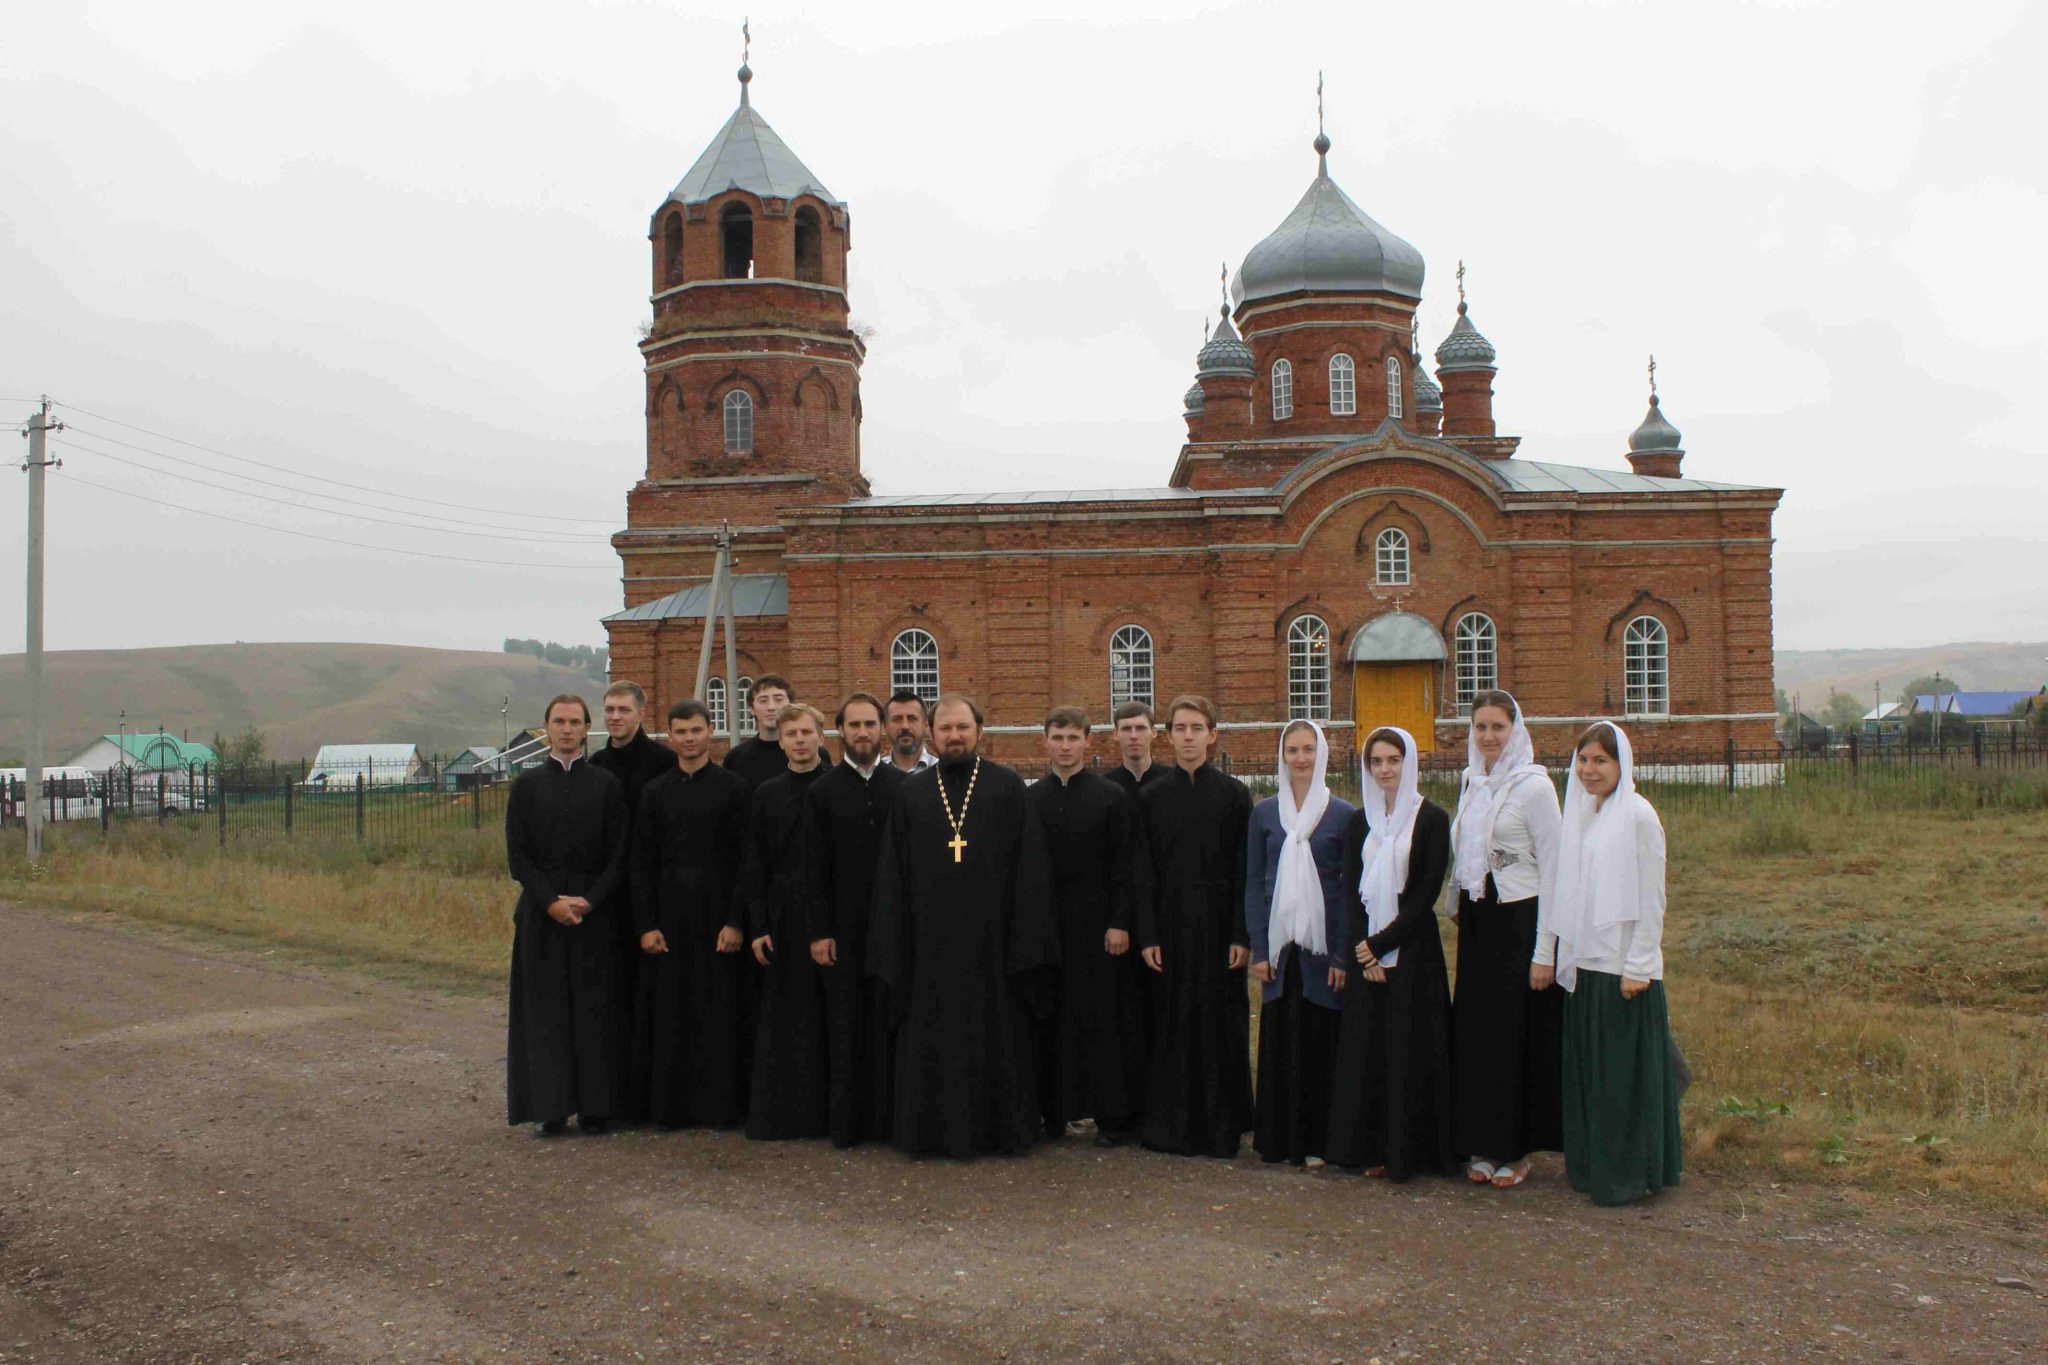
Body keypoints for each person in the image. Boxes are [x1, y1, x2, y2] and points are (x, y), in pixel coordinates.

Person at [867, 694, 1058, 1157]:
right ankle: (928, 1133)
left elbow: (1029, 868)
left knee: (998, 1035)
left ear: (979, 732)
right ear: (933, 733)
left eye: (963, 728)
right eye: (946, 729)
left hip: (994, 944)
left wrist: (1024, 939)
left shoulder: (1008, 787)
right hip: (928, 944)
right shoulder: (911, 793)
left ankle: (1002, 1131)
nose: (954, 736)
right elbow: (894, 873)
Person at [1540, 722, 1682, 1206]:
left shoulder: (1639, 817)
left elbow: (1651, 896)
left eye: (1601, 760)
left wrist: (1639, 965)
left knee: (1624, 1081)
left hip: (1624, 970)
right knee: (1593, 1078)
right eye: (1583, 760)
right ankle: (1593, 1168)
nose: (1589, 770)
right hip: (1587, 967)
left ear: (1622, 764)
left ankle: (1629, 1175)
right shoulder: (1585, 815)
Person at [1327, 726, 1454, 1181]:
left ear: (1409, 763)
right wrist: (1365, 955)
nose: (1384, 769)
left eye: (1393, 760)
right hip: (1368, 957)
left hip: (1413, 954)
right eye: (1376, 762)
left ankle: (1414, 1153)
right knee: (1371, 1053)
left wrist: (1381, 947)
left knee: (1409, 1051)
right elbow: (1349, 890)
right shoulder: (1359, 822)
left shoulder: (1433, 819)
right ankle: (1373, 1149)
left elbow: (1424, 895)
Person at [1449, 690, 1564, 1189]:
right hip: (1479, 920)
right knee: (1477, 1033)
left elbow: (1556, 869)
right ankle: (1481, 1139)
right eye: (1481, 727)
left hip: (1521, 921)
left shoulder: (1535, 788)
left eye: (1498, 727)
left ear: (1515, 730)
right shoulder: (1472, 782)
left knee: (1514, 1035)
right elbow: (1466, 852)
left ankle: (1514, 1149)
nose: (1489, 737)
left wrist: (1546, 951)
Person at [1132, 694, 1254, 1159]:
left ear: (1212, 734)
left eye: (1196, 728)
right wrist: (1148, 935)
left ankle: (1222, 1125)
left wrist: (1241, 933)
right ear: (1168, 736)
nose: (1188, 737)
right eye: (1180, 728)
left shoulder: (1234, 794)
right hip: (1169, 926)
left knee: (1221, 1023)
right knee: (1171, 1023)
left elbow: (1245, 869)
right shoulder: (1150, 797)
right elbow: (1142, 870)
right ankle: (1171, 1126)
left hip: (1221, 926)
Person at [505, 694, 629, 1137]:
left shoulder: (606, 785)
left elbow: (619, 854)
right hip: (543, 915)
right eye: (558, 721)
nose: (567, 729)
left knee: (596, 1012)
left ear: (586, 728)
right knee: (546, 1013)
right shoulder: (525, 787)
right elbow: (518, 857)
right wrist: (551, 901)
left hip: (596, 915)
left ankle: (597, 1107)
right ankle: (550, 1107)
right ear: (546, 727)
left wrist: (590, 901)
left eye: (575, 722)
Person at [1026, 706, 1147, 1146]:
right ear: (1045, 741)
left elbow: (1124, 866)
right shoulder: (1032, 800)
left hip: (1099, 929)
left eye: (1072, 738)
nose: (1064, 746)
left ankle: (1110, 1117)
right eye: (1057, 737)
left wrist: (1119, 923)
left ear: (1087, 742)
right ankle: (1053, 1114)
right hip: (1049, 928)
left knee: (1103, 1022)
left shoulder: (1110, 797)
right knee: (1050, 1020)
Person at [630, 699, 753, 1129]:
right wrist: (645, 925)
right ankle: (669, 1110)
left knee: (718, 1013)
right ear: (670, 736)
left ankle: (719, 1109)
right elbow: (640, 863)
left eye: (696, 730)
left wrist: (736, 920)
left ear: (710, 733)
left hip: (719, 917)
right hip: (668, 919)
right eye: (680, 732)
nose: (688, 739)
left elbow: (746, 861)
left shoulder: (735, 789)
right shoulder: (654, 793)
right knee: (670, 1014)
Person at [1245, 719, 1355, 1169]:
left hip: (1322, 948)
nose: (1301, 758)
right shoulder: (1265, 813)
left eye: (1309, 749)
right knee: (1281, 1039)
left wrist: (1342, 952)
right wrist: (1258, 948)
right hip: (1279, 948)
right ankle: (1279, 1140)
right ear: (1282, 755)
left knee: (1319, 1042)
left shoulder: (1343, 815)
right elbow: (1254, 881)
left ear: (1321, 754)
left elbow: (1349, 890)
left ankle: (1317, 1141)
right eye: (1293, 749)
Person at [801, 692, 907, 1147]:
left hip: (891, 928)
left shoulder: (903, 789)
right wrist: (819, 931)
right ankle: (846, 1125)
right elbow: (812, 867)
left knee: (888, 1023)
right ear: (839, 731)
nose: (862, 733)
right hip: (840, 929)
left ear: (881, 730)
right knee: (844, 1026)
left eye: (870, 725)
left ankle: (888, 1122)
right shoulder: (822, 792)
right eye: (854, 725)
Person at [742, 702, 833, 1140]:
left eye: (806, 732)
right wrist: (757, 925)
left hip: (829, 917)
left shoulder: (835, 788)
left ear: (821, 736)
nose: (799, 740)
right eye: (791, 734)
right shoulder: (768, 794)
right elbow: (755, 864)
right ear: (780, 741)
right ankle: (789, 1114)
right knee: (786, 1019)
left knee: (827, 1016)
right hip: (781, 917)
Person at [588, 679, 676, 1121]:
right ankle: (610, 1095)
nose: (616, 717)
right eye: (609, 709)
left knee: (649, 999)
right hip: (605, 898)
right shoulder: (596, 764)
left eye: (623, 709)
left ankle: (649, 1095)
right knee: (609, 997)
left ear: (642, 713)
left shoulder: (663, 764)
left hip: (650, 896)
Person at [723, 674, 794, 789]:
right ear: (752, 709)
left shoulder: (811, 753)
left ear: (790, 705)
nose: (771, 707)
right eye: (763, 700)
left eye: (779, 699)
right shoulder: (736, 758)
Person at [1102, 701, 1167, 798]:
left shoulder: (1174, 783)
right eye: (1126, 729)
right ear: (1115, 734)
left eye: (1140, 728)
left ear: (1153, 732)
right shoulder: (1103, 788)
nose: (1133, 736)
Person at [883, 690, 938, 774]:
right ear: (885, 727)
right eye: (897, 719)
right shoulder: (875, 773)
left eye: (912, 719)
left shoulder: (941, 772)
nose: (905, 726)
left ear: (925, 726)